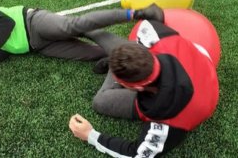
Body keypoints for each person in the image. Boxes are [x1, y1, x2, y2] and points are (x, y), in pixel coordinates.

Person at [69, 9, 219, 157]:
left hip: (191, 105)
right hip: (202, 68)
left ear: (138, 88)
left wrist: (90, 135)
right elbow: (156, 13)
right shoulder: (158, 35)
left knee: (100, 102)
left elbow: (136, 154)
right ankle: (74, 27)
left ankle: (105, 54)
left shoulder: (165, 124)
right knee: (122, 52)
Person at [0, 3, 162, 73]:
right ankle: (127, 53)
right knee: (89, 54)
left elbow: (7, 24)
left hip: (34, 23)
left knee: (76, 25)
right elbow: (2, 53)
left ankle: (137, 13)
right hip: (38, 46)